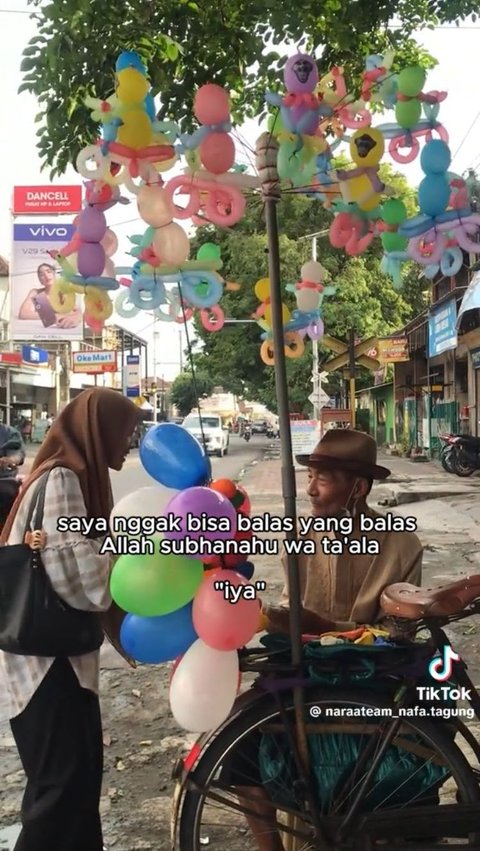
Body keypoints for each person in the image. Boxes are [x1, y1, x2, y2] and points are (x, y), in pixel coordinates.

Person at [233, 429, 424, 851]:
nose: (311, 489)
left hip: (374, 681)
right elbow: (289, 607)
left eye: (323, 478)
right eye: (310, 477)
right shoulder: (299, 538)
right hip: (308, 672)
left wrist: (327, 627)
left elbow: (399, 636)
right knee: (238, 741)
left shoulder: (402, 544)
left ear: (358, 487)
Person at [0, 388, 141, 851]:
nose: (129, 441)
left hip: (57, 660)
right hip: (46, 664)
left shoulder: (76, 475)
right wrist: (130, 556)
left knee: (75, 787)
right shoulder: (62, 478)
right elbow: (76, 571)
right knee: (60, 792)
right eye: (125, 430)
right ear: (97, 430)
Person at [18, 262, 81, 329]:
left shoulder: (63, 292)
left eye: (49, 272)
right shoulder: (35, 293)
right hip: (39, 330)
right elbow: (23, 314)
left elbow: (77, 312)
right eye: (42, 275)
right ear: (40, 280)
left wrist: (76, 318)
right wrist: (55, 316)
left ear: (54, 275)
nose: (46, 276)